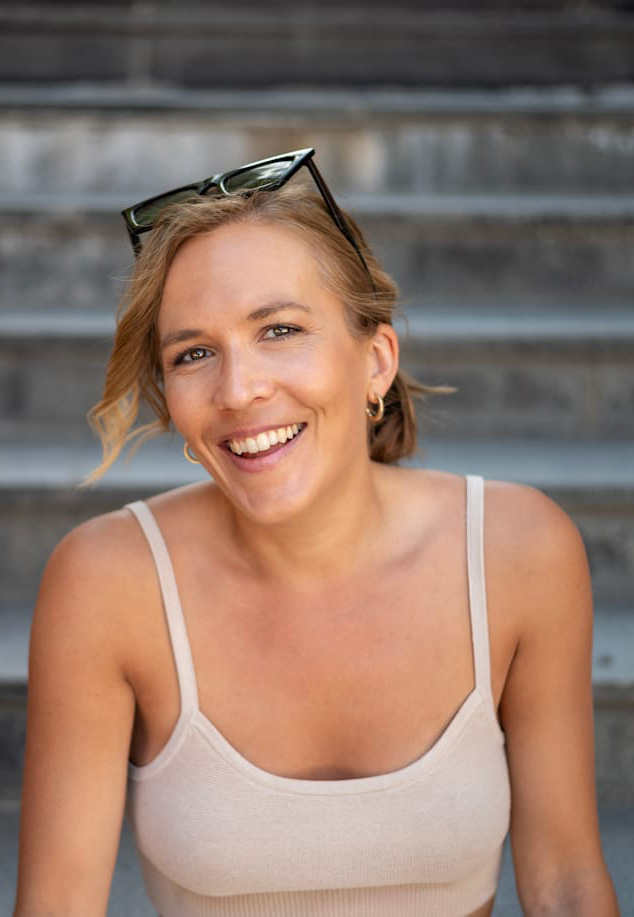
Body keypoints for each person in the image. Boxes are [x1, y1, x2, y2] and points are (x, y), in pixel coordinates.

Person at [14, 149, 618, 916]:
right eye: (194, 353)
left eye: (280, 329)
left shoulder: (520, 550)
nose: (239, 390)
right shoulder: (106, 581)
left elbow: (567, 883)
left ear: (376, 360)